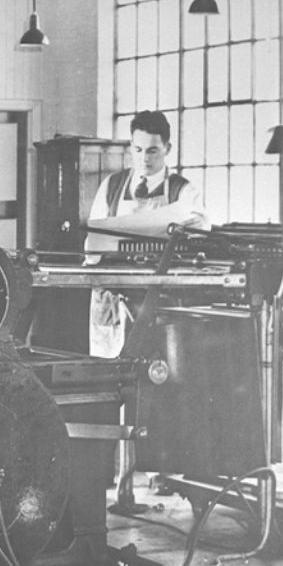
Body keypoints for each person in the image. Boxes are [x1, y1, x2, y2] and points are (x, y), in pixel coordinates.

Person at [86, 110, 208, 506]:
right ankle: (114, 481)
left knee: (160, 385)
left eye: (152, 151)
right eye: (137, 150)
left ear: (167, 148)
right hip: (112, 296)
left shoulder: (183, 190)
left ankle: (162, 472)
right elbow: (94, 239)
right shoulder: (112, 186)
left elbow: (199, 231)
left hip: (159, 302)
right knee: (110, 387)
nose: (144, 159)